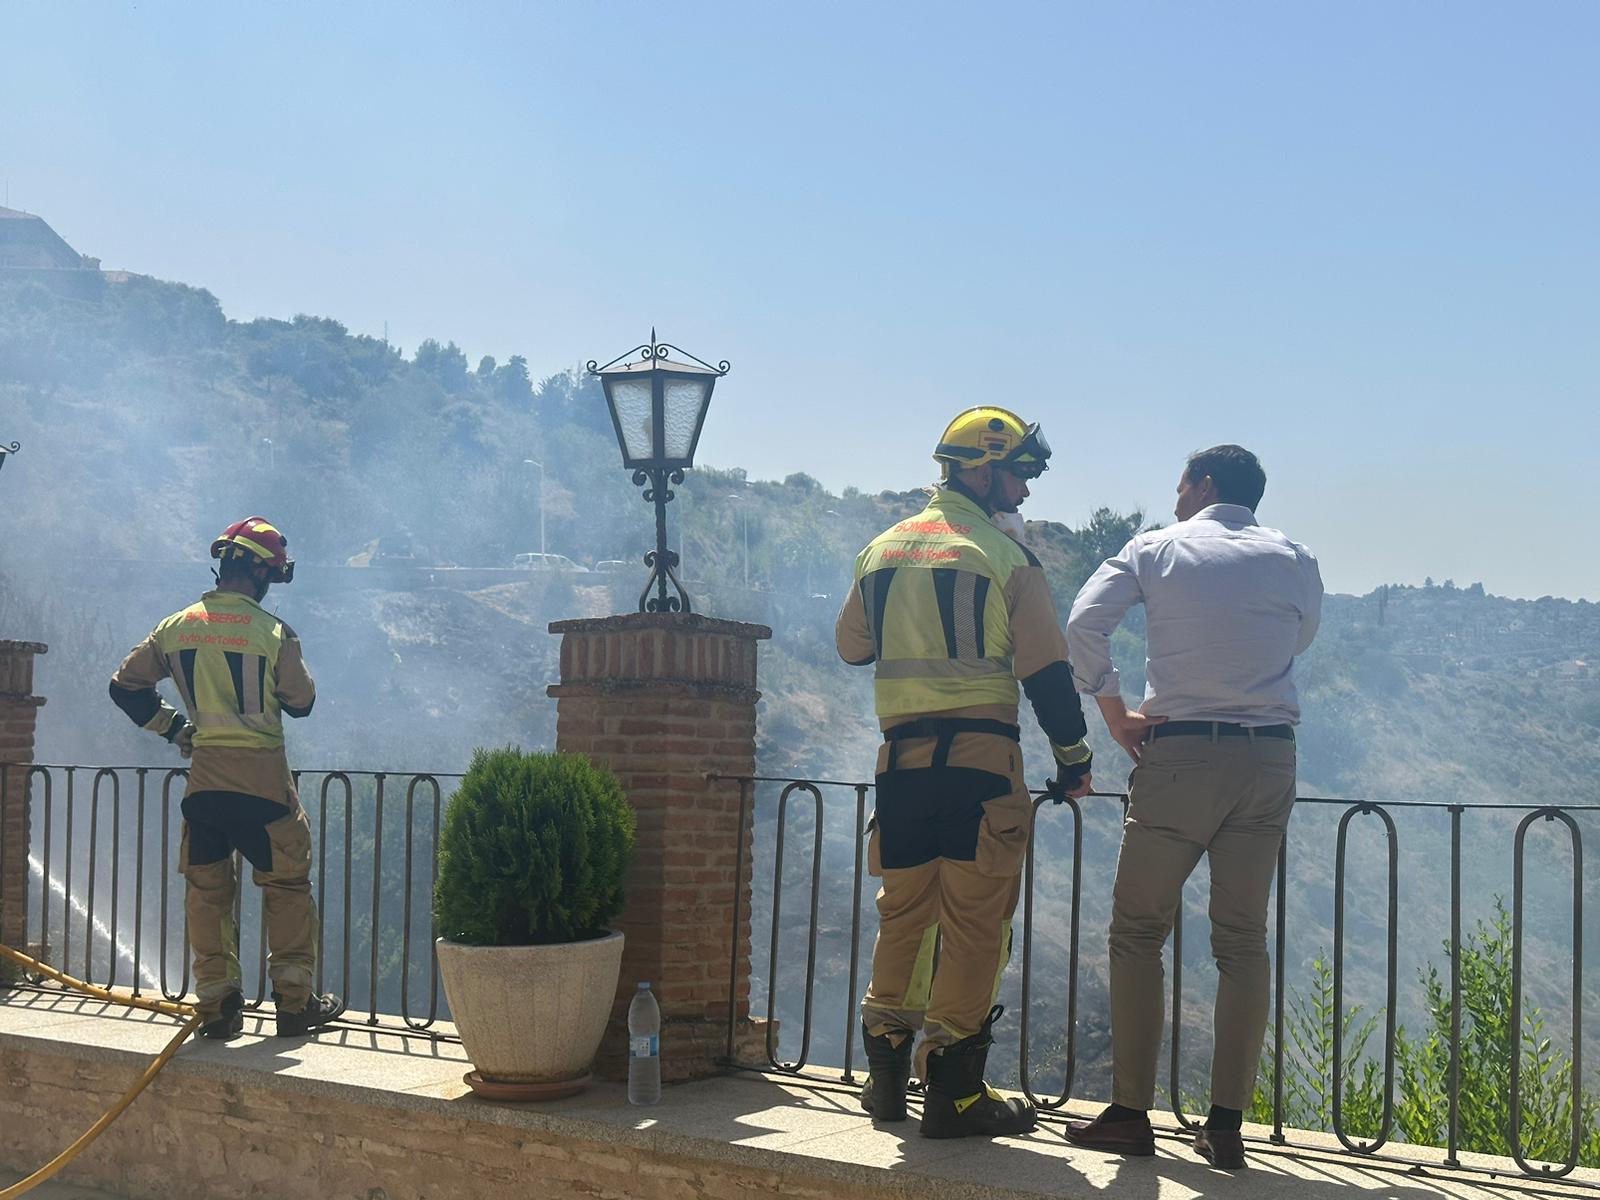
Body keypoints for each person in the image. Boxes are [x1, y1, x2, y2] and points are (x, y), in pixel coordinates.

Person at [835, 407, 1095, 1140]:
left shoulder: (880, 550)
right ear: (980, 468)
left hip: (902, 766)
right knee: (976, 925)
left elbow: (853, 648)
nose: (1027, 489)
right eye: (1019, 472)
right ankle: (954, 1093)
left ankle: (885, 1081)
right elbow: (1047, 674)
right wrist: (1074, 761)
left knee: (904, 913)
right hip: (982, 766)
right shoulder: (1004, 557)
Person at [1063, 445, 1322, 1169]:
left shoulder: (1158, 549)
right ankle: (1226, 1128)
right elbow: (1300, 637)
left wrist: (1114, 713)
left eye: (1180, 482)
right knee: (1242, 940)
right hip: (1270, 756)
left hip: (1180, 756)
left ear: (1203, 484)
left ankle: (1129, 1115)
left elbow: (1083, 624)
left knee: (1139, 930)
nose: (1175, 494)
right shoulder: (1295, 556)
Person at [110, 516, 344, 1040]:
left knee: (207, 892)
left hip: (206, 789)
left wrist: (175, 729)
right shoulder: (274, 632)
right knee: (285, 887)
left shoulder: (175, 627)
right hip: (264, 787)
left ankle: (217, 1007)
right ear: (262, 575)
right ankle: (293, 1005)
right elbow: (301, 703)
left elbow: (125, 687)